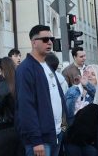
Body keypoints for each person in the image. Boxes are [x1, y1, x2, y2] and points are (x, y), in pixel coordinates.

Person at [17, 25, 61, 156]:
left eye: (51, 39)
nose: (50, 42)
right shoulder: (25, 69)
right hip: (40, 140)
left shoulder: (47, 65)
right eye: (45, 39)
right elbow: (26, 107)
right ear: (34, 42)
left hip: (55, 134)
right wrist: (36, 140)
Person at [61, 64, 96, 156]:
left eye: (93, 74)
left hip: (91, 140)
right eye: (87, 73)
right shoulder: (73, 91)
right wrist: (64, 131)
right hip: (72, 137)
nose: (89, 76)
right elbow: (65, 113)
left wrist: (88, 86)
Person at [0, 57, 21, 156]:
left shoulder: (4, 84)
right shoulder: (19, 82)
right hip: (20, 127)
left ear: (2, 69)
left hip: (5, 128)